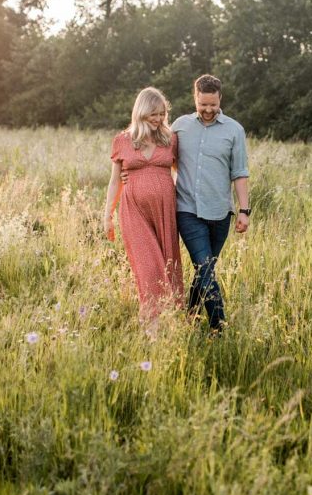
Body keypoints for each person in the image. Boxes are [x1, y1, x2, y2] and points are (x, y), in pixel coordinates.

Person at [171, 74, 250, 332]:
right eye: (203, 104)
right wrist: (128, 170)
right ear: (195, 98)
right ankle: (219, 327)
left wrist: (244, 210)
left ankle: (191, 316)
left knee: (203, 270)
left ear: (220, 99)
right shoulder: (180, 126)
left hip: (219, 213)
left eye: (212, 105)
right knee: (205, 266)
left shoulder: (234, 130)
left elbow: (239, 172)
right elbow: (162, 157)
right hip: (187, 210)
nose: (208, 110)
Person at [104, 87, 184, 329]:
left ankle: (170, 321)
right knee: (148, 267)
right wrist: (107, 214)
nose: (159, 119)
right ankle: (151, 325)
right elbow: (115, 180)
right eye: (154, 114)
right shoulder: (122, 141)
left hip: (165, 211)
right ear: (141, 112)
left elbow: (181, 172)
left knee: (168, 264)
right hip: (134, 212)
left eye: (162, 114)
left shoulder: (170, 139)